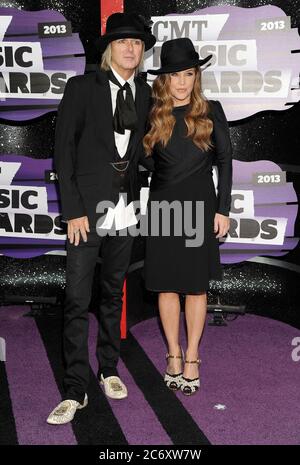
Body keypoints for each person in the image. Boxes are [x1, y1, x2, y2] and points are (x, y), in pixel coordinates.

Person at [47, 13, 156, 425]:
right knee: (77, 299)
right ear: (108, 48)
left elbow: (144, 153)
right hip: (86, 213)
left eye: (137, 43)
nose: (131, 49)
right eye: (123, 42)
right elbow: (63, 153)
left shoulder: (144, 93)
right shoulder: (81, 88)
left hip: (126, 210)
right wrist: (72, 210)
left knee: (113, 293)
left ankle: (108, 367)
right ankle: (76, 388)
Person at [143, 38, 232, 396]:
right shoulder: (153, 114)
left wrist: (223, 209)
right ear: (165, 80)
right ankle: (173, 354)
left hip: (200, 205)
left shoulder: (212, 111)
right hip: (164, 208)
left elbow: (224, 162)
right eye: (175, 75)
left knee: (195, 286)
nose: (182, 82)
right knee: (166, 285)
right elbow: (142, 159)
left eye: (189, 74)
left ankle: (192, 355)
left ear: (197, 76)